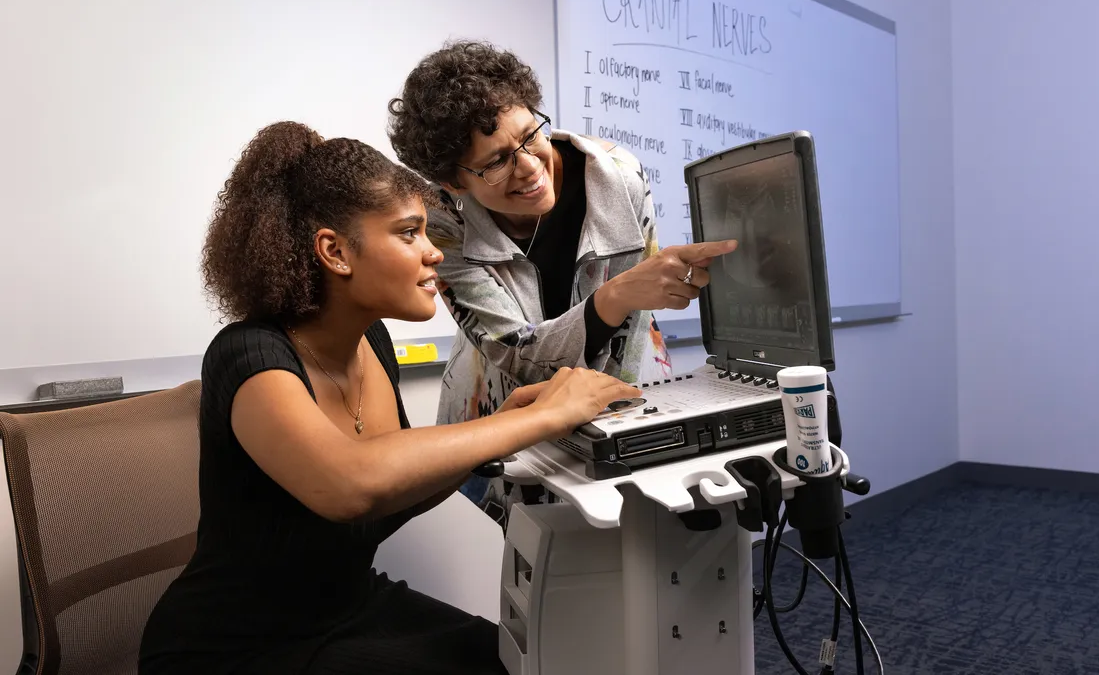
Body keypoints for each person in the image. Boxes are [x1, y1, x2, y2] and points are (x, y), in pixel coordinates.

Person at [138, 121, 641, 675]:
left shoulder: (371, 343)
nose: (433, 254)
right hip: (236, 646)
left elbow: (389, 495)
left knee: (523, 661)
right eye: (408, 234)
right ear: (334, 252)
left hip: (349, 609)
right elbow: (353, 487)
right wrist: (543, 417)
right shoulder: (249, 355)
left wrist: (504, 421)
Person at [387, 40, 738, 513]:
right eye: (495, 162)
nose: (531, 167)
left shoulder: (619, 177)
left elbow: (628, 344)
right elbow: (520, 357)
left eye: (530, 135)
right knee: (540, 560)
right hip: (506, 413)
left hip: (630, 391)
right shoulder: (441, 225)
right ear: (454, 183)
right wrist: (615, 295)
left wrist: (616, 440)